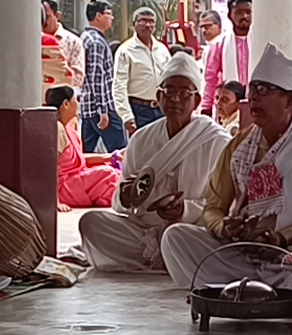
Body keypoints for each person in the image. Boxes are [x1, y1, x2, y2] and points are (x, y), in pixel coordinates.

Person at [160, 46, 292, 288]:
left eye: (264, 90)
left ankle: (251, 282)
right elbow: (213, 207)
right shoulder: (240, 146)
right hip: (242, 248)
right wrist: (225, 228)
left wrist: (281, 237)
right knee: (176, 237)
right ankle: (274, 283)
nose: (253, 98)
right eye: (252, 89)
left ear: (290, 100)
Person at [79, 53, 230, 273]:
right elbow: (120, 203)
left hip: (189, 230)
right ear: (158, 97)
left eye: (183, 93)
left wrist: (184, 210)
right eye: (169, 92)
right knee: (91, 223)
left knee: (193, 237)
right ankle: (168, 260)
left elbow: (225, 206)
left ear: (196, 101)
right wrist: (126, 196)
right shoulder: (142, 139)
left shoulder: (217, 141)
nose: (175, 100)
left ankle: (171, 257)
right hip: (144, 233)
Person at [47, 86, 120, 209]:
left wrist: (110, 157)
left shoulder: (69, 128)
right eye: (75, 100)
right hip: (65, 187)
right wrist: (55, 201)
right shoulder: (57, 128)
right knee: (108, 174)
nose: (78, 104)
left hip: (76, 178)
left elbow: (80, 158)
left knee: (111, 170)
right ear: (66, 104)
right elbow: (48, 166)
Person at [114, 7, 174, 136]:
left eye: (151, 21)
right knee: (142, 151)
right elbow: (119, 86)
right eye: (143, 21)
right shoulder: (126, 51)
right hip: (139, 111)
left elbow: (170, 79)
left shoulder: (162, 50)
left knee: (164, 148)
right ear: (134, 24)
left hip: (161, 109)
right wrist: (127, 116)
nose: (148, 25)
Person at [79, 0, 126, 153]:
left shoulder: (85, 37)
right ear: (98, 16)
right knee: (120, 151)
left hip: (87, 107)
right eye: (109, 14)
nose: (112, 18)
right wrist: (103, 110)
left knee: (87, 153)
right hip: (101, 107)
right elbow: (97, 78)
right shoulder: (96, 42)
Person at [203, 0, 254, 114]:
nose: (244, 16)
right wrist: (207, 107)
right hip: (228, 109)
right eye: (239, 12)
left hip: (255, 105)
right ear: (229, 16)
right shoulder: (219, 45)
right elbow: (211, 79)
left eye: (248, 12)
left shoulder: (260, 42)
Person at [41, 0, 85, 88]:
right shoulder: (33, 41)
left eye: (47, 17)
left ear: (57, 16)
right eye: (40, 17)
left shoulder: (73, 42)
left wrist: (61, 71)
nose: (43, 22)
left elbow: (78, 79)